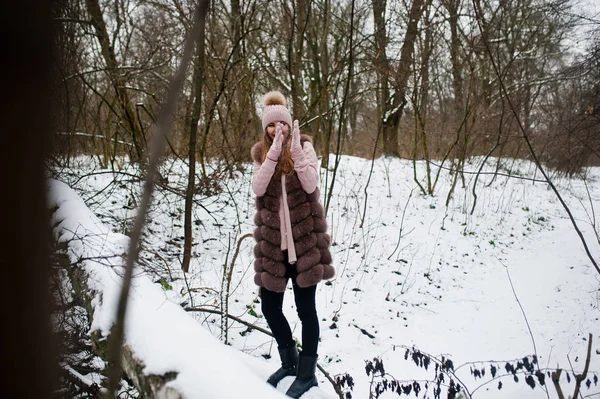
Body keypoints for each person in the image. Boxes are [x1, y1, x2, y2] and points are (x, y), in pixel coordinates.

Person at [251, 91, 335, 398]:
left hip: (304, 246)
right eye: (271, 126)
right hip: (274, 248)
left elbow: (311, 183)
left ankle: (307, 374)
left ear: (289, 124)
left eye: (281, 125)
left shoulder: (305, 147)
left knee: (305, 310)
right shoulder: (261, 153)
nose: (277, 130)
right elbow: (257, 188)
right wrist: (272, 154)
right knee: (270, 306)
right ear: (266, 128)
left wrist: (297, 151)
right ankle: (289, 361)